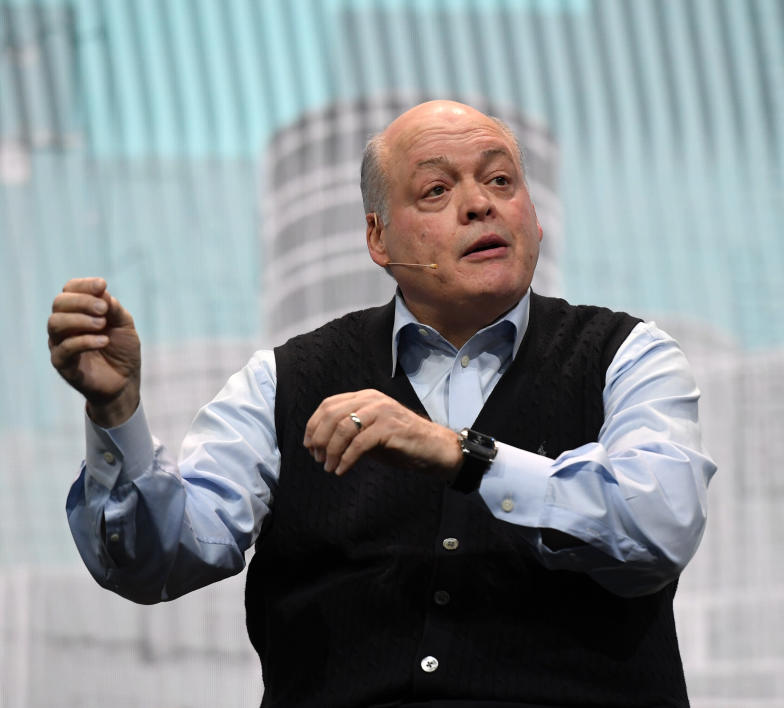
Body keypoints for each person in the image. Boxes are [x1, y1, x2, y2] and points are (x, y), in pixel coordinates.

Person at [48, 100, 716, 708]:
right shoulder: (284, 380)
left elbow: (659, 526)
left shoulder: (626, 355)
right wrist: (116, 414)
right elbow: (157, 562)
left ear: (535, 219)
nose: (480, 205)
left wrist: (461, 454)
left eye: (501, 181)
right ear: (378, 239)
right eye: (436, 190)